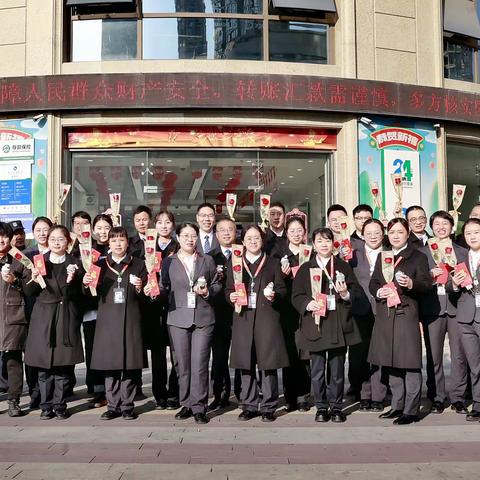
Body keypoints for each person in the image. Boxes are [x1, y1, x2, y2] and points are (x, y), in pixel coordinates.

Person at [292, 227, 363, 423]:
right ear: (313, 245)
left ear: (334, 243)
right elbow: (296, 295)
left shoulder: (342, 266)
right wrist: (308, 303)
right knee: (317, 370)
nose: (324, 244)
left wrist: (345, 294)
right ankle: (321, 406)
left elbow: (355, 291)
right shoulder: (305, 268)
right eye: (320, 241)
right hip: (314, 324)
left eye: (327, 241)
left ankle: (337, 406)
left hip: (337, 324)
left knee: (337, 369)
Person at [369, 218, 432, 425]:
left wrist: (411, 283)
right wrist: (379, 290)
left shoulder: (417, 257)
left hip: (406, 313)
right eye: (392, 232)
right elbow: (373, 283)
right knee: (391, 361)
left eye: (400, 232)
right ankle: (397, 406)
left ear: (407, 234)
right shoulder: (383, 256)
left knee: (410, 362)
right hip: (385, 314)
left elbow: (425, 284)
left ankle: (411, 410)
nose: (396, 235)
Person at [226, 225, 288, 422]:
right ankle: (249, 405)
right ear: (242, 242)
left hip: (266, 317)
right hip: (243, 317)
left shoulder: (272, 263)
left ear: (262, 241)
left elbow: (282, 289)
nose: (253, 241)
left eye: (257, 238)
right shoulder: (235, 263)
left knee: (268, 363)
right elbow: (227, 289)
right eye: (249, 238)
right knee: (246, 363)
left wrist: (274, 295)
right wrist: (231, 296)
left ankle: (269, 406)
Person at [160, 222, 221, 424]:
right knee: (182, 364)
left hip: (203, 317)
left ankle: (199, 406)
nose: (189, 239)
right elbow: (163, 287)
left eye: (193, 235)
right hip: (178, 317)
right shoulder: (169, 262)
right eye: (185, 235)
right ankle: (185, 403)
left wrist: (209, 292)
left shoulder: (207, 259)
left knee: (200, 363)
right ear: (178, 237)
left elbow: (217, 284)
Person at [24, 225, 84, 420]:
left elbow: (80, 295)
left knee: (62, 365)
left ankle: (60, 404)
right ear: (47, 241)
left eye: (61, 239)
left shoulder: (75, 263)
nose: (57, 243)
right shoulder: (39, 262)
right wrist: (33, 279)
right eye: (53, 239)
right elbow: (30, 293)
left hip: (65, 315)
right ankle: (45, 405)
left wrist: (72, 279)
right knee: (43, 367)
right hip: (43, 317)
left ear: (68, 241)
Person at [86, 226, 147, 420]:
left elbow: (149, 295)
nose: (118, 244)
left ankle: (127, 405)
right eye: (113, 240)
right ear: (108, 244)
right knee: (109, 364)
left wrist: (141, 286)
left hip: (131, 319)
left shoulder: (139, 264)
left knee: (129, 364)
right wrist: (86, 282)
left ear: (127, 243)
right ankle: (112, 405)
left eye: (121, 240)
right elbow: (88, 295)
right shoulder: (99, 265)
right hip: (108, 320)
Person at [420, 211, 468, 414]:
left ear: (452, 226)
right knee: (434, 356)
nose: (441, 227)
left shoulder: (462, 251)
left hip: (458, 308)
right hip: (433, 308)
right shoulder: (423, 253)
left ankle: (457, 396)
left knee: (459, 356)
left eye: (445, 223)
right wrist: (431, 277)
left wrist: (458, 282)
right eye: (436, 224)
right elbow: (419, 281)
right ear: (432, 227)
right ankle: (437, 396)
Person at [271, 216, 312, 412]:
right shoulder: (278, 254)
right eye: (292, 230)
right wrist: (283, 275)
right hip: (287, 311)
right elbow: (274, 281)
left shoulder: (310, 254)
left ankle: (304, 395)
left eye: (300, 230)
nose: (296, 234)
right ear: (286, 233)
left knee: (305, 354)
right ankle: (290, 396)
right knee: (289, 353)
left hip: (307, 309)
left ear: (305, 232)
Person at [349, 219, 388, 411]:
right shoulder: (352, 254)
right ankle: (364, 394)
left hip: (383, 309)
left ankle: (378, 395)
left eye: (377, 232)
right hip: (360, 309)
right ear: (362, 235)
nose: (373, 236)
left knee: (379, 354)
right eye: (369, 233)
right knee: (360, 354)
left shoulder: (389, 253)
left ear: (383, 234)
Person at [147, 210, 179, 410]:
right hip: (153, 307)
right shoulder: (149, 246)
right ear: (155, 226)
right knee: (157, 355)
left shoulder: (179, 245)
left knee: (177, 353)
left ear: (173, 225)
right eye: (160, 222)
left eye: (168, 222)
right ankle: (159, 394)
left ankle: (174, 393)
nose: (164, 226)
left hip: (175, 305)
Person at [449, 218, 480, 421]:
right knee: (474, 364)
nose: (472, 236)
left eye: (476, 232)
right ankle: (478, 403)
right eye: (468, 233)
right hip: (466, 317)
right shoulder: (459, 257)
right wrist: (454, 284)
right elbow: (453, 290)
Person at [207, 217, 240, 411]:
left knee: (242, 355)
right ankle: (219, 394)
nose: (226, 233)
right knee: (219, 357)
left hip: (241, 313)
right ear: (216, 234)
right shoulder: (210, 257)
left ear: (236, 232)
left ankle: (243, 393)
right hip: (218, 313)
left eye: (230, 229)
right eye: (222, 230)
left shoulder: (242, 253)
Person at [82, 214, 113, 408]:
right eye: (99, 228)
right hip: (92, 308)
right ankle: (97, 390)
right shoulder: (87, 251)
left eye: (106, 227)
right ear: (93, 230)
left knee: (111, 349)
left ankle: (114, 388)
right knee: (93, 350)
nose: (103, 232)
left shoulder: (118, 246)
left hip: (113, 309)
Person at [0, 222, 31, 416]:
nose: (1, 240)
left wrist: (15, 281)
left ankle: (14, 400)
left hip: (14, 316)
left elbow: (32, 286)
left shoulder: (20, 259)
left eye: (4, 236)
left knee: (13, 360)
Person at [22, 216, 53, 409]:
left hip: (53, 309)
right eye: (39, 230)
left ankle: (55, 391)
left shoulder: (59, 253)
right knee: (32, 354)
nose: (42, 233)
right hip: (32, 308)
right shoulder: (27, 255)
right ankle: (35, 392)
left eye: (46, 229)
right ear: (34, 233)